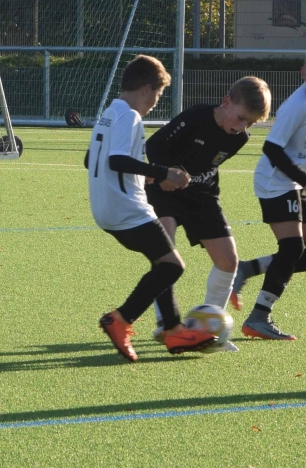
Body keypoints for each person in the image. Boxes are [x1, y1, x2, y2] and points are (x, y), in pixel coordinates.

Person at [92, 55, 218, 362]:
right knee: (173, 266)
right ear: (147, 88)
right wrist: (164, 172)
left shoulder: (109, 113)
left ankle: (173, 329)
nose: (156, 102)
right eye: (159, 95)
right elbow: (116, 161)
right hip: (127, 208)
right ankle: (120, 319)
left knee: (161, 262)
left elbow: (92, 159)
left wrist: (142, 174)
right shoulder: (129, 116)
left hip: (106, 208)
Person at [144, 76, 273, 346]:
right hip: (165, 189)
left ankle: (209, 328)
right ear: (226, 102)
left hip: (202, 195)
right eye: (241, 118)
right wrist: (164, 173)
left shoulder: (239, 138)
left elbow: (207, 165)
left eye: (249, 123)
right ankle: (166, 323)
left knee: (229, 260)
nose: (242, 127)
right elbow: (154, 145)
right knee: (164, 254)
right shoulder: (196, 116)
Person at [231, 38, 306, 341]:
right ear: (303, 72)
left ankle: (247, 269)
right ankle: (259, 318)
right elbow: (272, 149)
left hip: (299, 182)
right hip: (274, 182)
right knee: (292, 249)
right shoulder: (297, 106)